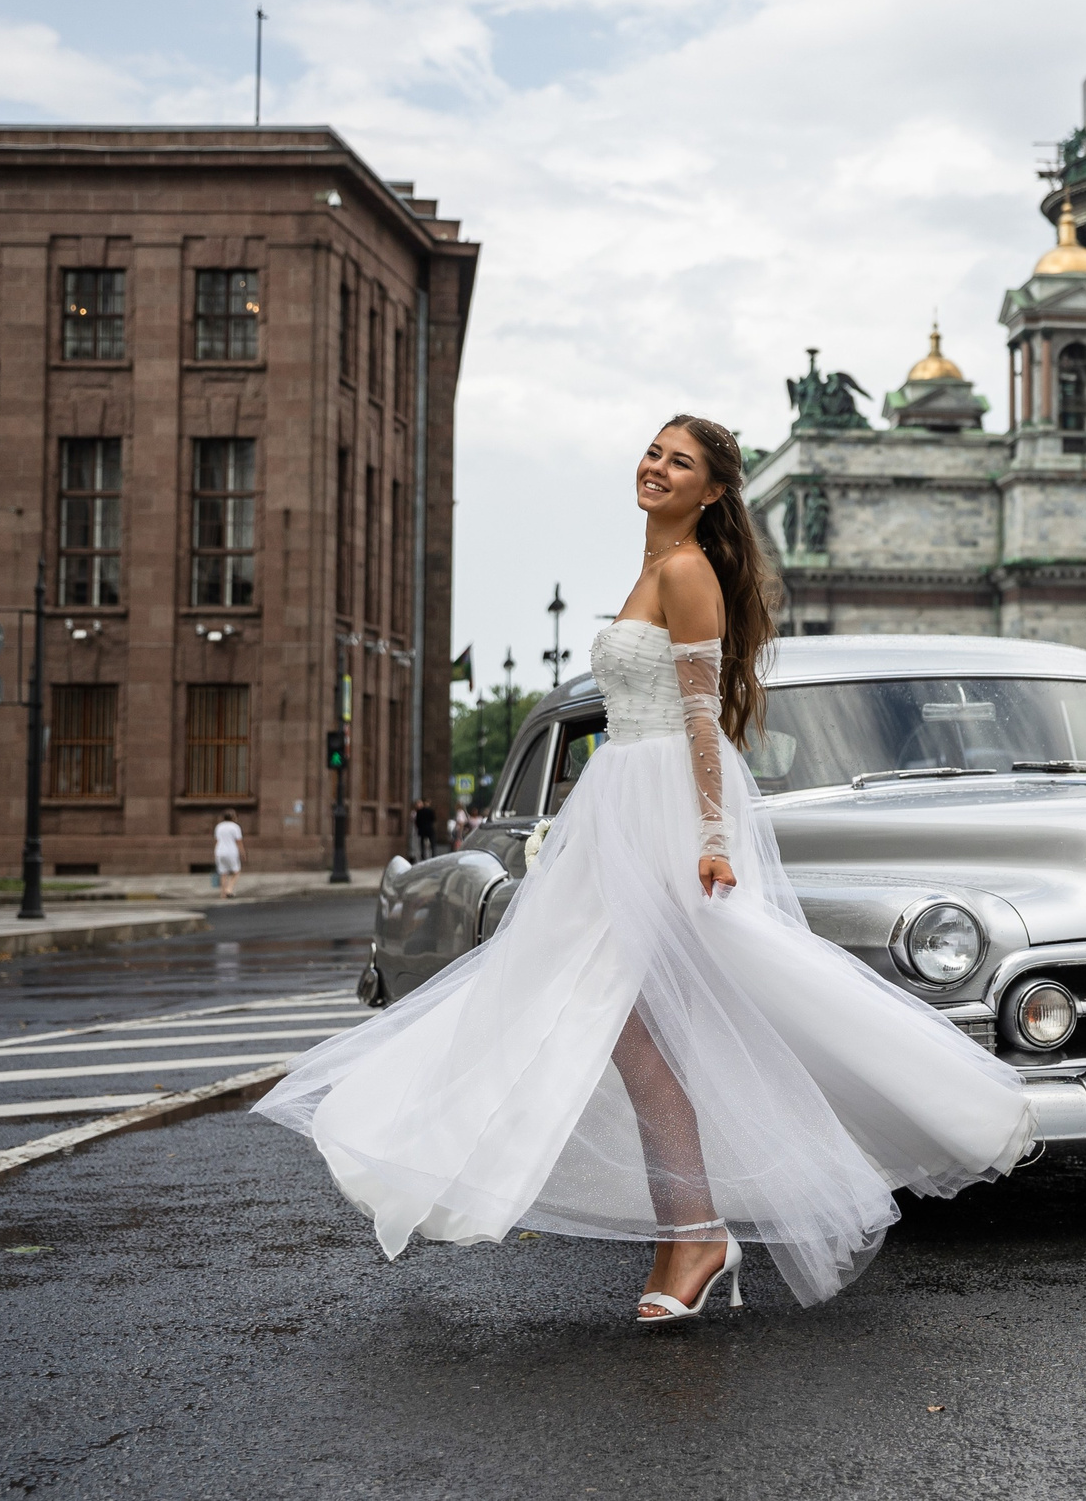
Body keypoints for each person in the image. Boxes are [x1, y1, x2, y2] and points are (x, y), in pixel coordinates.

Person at [256, 415, 1032, 1322]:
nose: (657, 468)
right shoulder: (651, 568)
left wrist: (709, 835)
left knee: (647, 1014)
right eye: (656, 452)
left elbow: (705, 719)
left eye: (682, 462)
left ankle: (709, 1222)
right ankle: (691, 1228)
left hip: (663, 806)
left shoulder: (689, 571)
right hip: (618, 801)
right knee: (621, 1025)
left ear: (712, 493)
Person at [213, 809, 244, 899]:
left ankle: (223, 894)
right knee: (236, 871)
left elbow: (217, 840)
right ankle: (229, 889)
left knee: (223, 873)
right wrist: (242, 852)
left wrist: (215, 852)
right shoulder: (235, 827)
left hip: (220, 851)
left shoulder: (219, 826)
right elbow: (239, 841)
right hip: (231, 851)